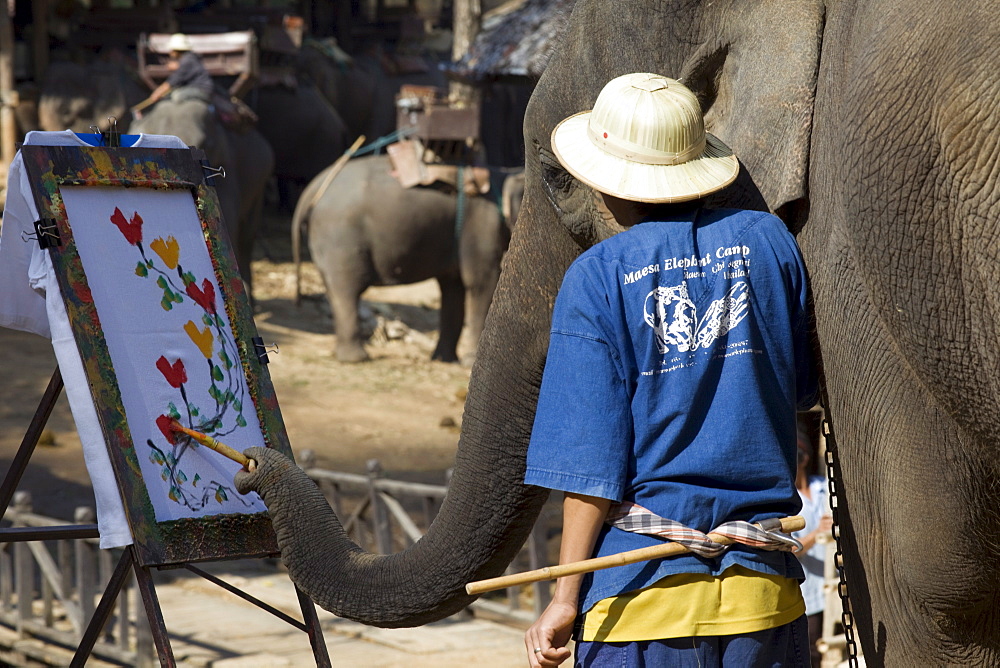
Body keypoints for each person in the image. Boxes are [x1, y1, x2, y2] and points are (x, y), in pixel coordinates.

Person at [522, 73, 817, 667]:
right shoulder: (770, 242)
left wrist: (563, 597)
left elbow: (589, 468)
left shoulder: (598, 276)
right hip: (766, 599)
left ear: (603, 182)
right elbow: (803, 388)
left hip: (638, 602)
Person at [793, 427, 834, 667]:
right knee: (812, 655)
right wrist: (818, 533)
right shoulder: (786, 500)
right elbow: (790, 550)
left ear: (805, 458)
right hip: (808, 595)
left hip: (836, 591)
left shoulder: (826, 488)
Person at [134, 33, 214, 115]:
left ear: (177, 50)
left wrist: (157, 94)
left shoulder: (187, 62)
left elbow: (171, 82)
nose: (170, 53)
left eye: (172, 50)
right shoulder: (190, 59)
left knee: (176, 95)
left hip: (201, 90)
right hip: (200, 89)